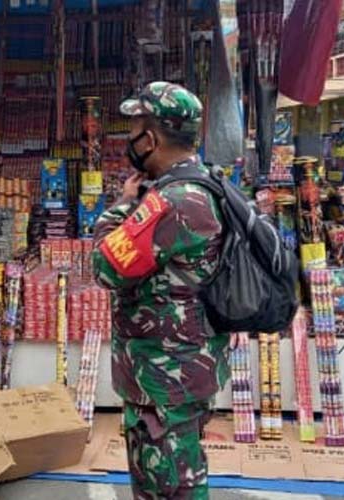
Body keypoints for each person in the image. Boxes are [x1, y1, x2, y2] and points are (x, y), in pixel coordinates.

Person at [92, 82, 229, 500]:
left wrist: (120, 206)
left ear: (150, 139)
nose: (129, 140)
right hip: (181, 367)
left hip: (165, 374)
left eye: (134, 129)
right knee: (177, 473)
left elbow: (106, 266)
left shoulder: (173, 200)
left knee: (169, 481)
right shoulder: (203, 182)